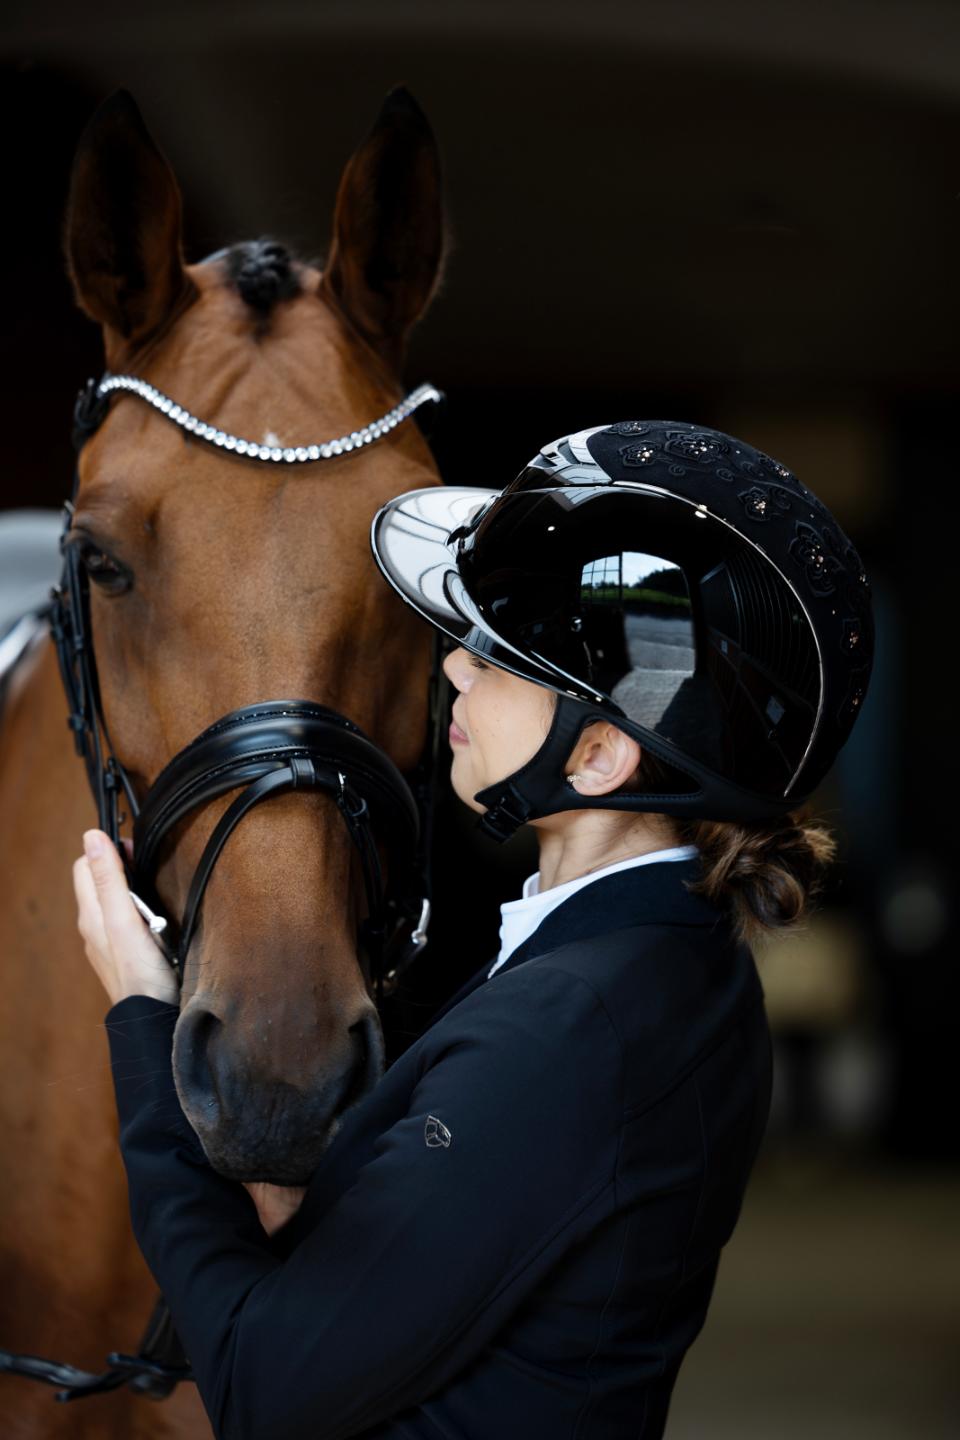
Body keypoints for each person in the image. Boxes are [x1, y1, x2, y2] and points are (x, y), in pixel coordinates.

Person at [74, 418, 873, 1439]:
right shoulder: (670, 963)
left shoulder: (569, 1028)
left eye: (500, 661)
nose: (454, 673)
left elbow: (265, 1387)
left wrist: (145, 1022)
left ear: (596, 760)